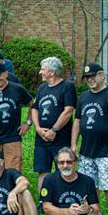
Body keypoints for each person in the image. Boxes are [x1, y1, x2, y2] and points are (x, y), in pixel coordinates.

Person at [72, 63, 108, 215]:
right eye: (87, 78)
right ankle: (96, 212)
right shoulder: (83, 97)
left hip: (105, 150)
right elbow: (77, 122)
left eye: (93, 76)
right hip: (86, 150)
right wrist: (74, 144)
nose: (90, 80)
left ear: (102, 75)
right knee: (90, 184)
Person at [31, 56, 77, 191]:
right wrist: (38, 128)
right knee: (42, 170)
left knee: (63, 169)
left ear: (52, 72)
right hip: (41, 139)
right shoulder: (42, 88)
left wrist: (54, 130)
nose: (40, 72)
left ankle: (61, 198)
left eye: (43, 69)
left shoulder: (67, 87)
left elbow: (68, 111)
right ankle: (43, 199)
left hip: (60, 138)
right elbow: (34, 108)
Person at [0, 62, 33, 172]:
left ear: (6, 74)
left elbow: (32, 104)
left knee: (13, 172)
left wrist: (28, 123)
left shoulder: (17, 89)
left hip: (12, 138)